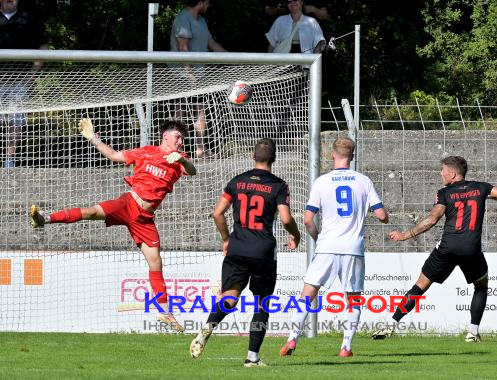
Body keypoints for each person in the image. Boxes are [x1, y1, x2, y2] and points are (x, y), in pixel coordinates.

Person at [30, 118, 197, 332]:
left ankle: (165, 313)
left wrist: (182, 161)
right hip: (128, 203)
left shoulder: (180, 159)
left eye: (182, 138)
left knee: (156, 262)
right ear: (166, 136)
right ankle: (45, 219)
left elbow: (192, 171)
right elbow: (113, 155)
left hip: (145, 218)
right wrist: (93, 138)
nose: (180, 141)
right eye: (177, 137)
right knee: (90, 212)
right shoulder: (145, 151)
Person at [372, 156, 497, 342]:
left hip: (446, 248)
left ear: (452, 174)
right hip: (471, 250)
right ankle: (473, 333)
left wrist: (405, 235)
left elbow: (432, 219)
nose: (440, 173)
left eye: (442, 170)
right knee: (481, 287)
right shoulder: (481, 187)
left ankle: (389, 326)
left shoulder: (444, 193)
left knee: (419, 286)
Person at [190, 138, 301, 367]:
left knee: (229, 298)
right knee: (262, 304)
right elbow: (286, 218)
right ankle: (252, 358)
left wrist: (226, 239)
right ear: (274, 158)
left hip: (237, 248)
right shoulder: (278, 185)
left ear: (253, 156)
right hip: (263, 251)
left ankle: (208, 327)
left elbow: (217, 213)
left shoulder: (238, 181)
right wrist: (295, 235)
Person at [280, 136, 389, 358]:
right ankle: (345, 347)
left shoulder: (322, 181)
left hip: (327, 246)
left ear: (332, 155)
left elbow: (308, 219)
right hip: (353, 247)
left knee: (307, 295)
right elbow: (381, 215)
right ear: (353, 156)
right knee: (354, 298)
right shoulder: (363, 181)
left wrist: (317, 238)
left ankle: (292, 338)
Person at [170, 0, 226, 159]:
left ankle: (200, 150)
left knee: (200, 110)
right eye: (208, 2)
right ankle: (174, 150)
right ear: (200, 2)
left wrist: (233, 59)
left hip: (199, 75)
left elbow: (212, 43)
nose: (209, 5)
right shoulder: (182, 19)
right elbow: (183, 47)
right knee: (180, 112)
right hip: (181, 74)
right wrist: (189, 73)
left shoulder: (201, 21)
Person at [0, 0, 48, 168]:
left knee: (15, 123)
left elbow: (43, 47)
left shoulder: (29, 19)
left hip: (19, 83)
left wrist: (33, 74)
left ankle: (9, 161)